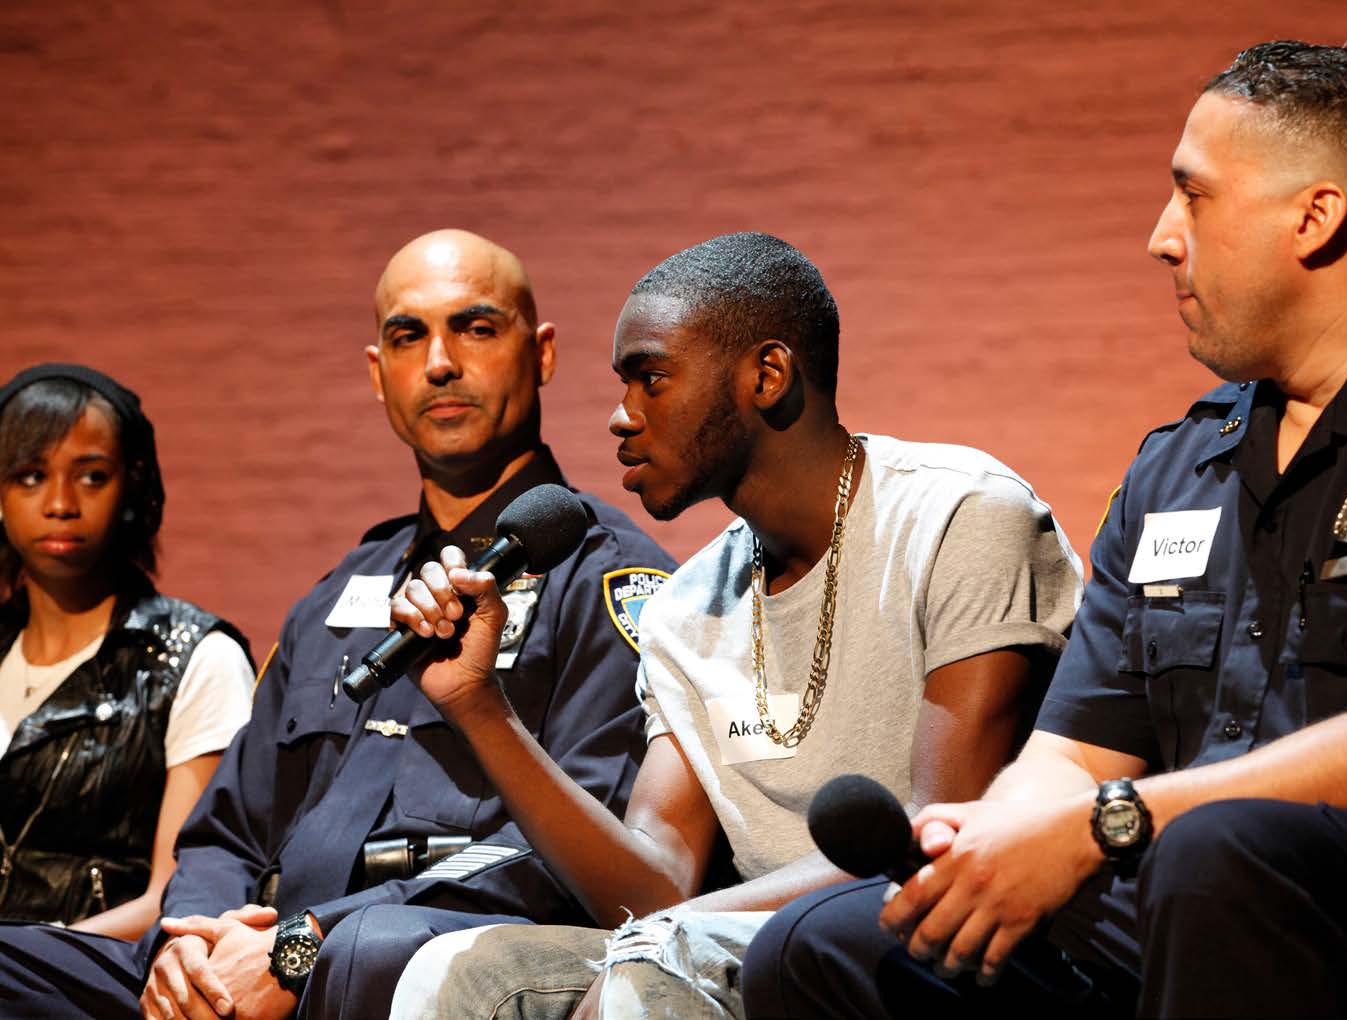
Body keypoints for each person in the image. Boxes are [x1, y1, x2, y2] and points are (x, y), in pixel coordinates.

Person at [740, 40, 1347, 1020]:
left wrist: (1107, 823)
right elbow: (1073, 754)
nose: (1162, 237)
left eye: (1192, 198)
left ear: (1315, 219)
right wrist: (997, 843)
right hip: (1180, 889)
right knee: (824, 945)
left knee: (1218, 852)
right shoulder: (1180, 463)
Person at [387, 231, 1084, 1019]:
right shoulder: (687, 606)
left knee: (649, 978)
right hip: (727, 947)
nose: (621, 417)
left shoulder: (959, 516)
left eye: (651, 379)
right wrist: (478, 705)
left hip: (935, 949)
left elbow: (933, 832)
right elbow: (653, 883)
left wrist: (674, 932)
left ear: (768, 375)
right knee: (455, 971)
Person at [0, 229, 676, 1020]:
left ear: (544, 354)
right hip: (251, 958)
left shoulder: (608, 576)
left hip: (412, 956)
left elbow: (578, 846)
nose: (440, 363)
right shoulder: (337, 594)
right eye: (407, 335)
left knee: (371, 952)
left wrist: (309, 941)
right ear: (376, 372)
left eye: (476, 328)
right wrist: (190, 943)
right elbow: (226, 833)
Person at [0, 364, 254, 939]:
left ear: (133, 485)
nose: (60, 503)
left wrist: (22, 959)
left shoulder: (195, 658)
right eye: (29, 476)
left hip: (94, 984)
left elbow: (183, 895)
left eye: (90, 477)